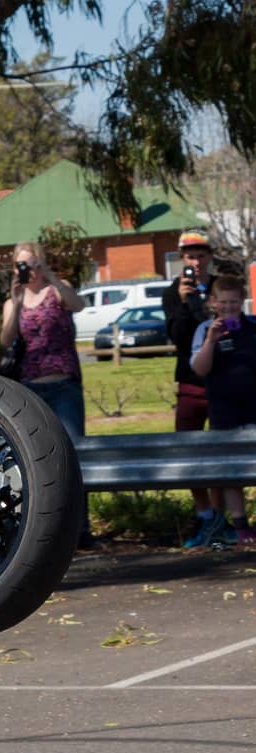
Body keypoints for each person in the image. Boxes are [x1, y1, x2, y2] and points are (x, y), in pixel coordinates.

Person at [0, 240, 93, 546]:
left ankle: (81, 528)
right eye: (20, 265)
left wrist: (50, 276)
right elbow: (6, 338)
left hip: (63, 383)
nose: (26, 270)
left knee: (74, 454)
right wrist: (15, 299)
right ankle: (45, 530)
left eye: (31, 263)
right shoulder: (14, 299)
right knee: (37, 457)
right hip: (31, 386)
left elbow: (78, 304)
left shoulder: (57, 290)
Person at [161, 229, 229, 547]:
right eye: (190, 256)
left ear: (209, 257)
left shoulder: (220, 287)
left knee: (220, 450)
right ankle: (202, 513)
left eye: (201, 256)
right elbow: (177, 336)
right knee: (188, 448)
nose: (196, 262)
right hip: (189, 380)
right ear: (181, 259)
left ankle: (220, 516)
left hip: (220, 381)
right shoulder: (173, 292)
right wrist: (186, 301)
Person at [189, 271, 256, 545]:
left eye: (234, 302)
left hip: (253, 407)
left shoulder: (253, 327)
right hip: (224, 410)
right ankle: (240, 524)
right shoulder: (205, 330)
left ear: (242, 301)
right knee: (233, 471)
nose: (229, 308)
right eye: (223, 303)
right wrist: (211, 341)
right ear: (213, 303)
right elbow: (199, 368)